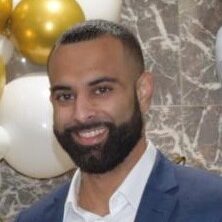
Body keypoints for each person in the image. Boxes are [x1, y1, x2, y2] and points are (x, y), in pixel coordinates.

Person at [15, 19, 222, 222]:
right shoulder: (33, 218)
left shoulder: (213, 206)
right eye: (65, 96)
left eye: (101, 90)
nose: (81, 113)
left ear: (143, 92)